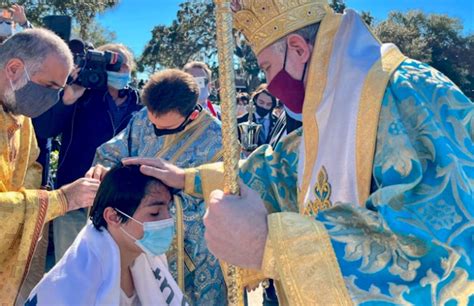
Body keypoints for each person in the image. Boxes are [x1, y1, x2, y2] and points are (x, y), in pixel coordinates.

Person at [124, 1, 474, 305]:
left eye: (266, 68)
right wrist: (186, 177)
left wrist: (273, 245)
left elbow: (446, 253)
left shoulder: (406, 89)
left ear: (298, 49)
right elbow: (279, 171)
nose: (269, 82)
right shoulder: (329, 108)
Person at [88, 69, 226, 303]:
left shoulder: (217, 138)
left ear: (192, 115)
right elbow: (115, 151)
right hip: (137, 237)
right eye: (153, 124)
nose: (155, 131)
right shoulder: (143, 118)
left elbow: (221, 198)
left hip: (193, 252)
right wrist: (104, 168)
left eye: (164, 129)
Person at [0, 29, 99, 305]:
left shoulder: (21, 115)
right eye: (49, 86)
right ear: (14, 69)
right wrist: (61, 200)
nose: (54, 99)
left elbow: (30, 170)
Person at [33, 43, 142, 261]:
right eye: (111, 64)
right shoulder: (81, 96)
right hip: (75, 198)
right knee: (71, 268)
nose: (119, 71)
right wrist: (68, 97)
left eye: (123, 65)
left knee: (117, 271)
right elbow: (45, 129)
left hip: (123, 203)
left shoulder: (140, 105)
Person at [26, 164, 187, 306]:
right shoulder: (74, 288)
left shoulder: (143, 255)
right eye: (155, 213)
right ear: (113, 217)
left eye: (169, 208)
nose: (168, 220)